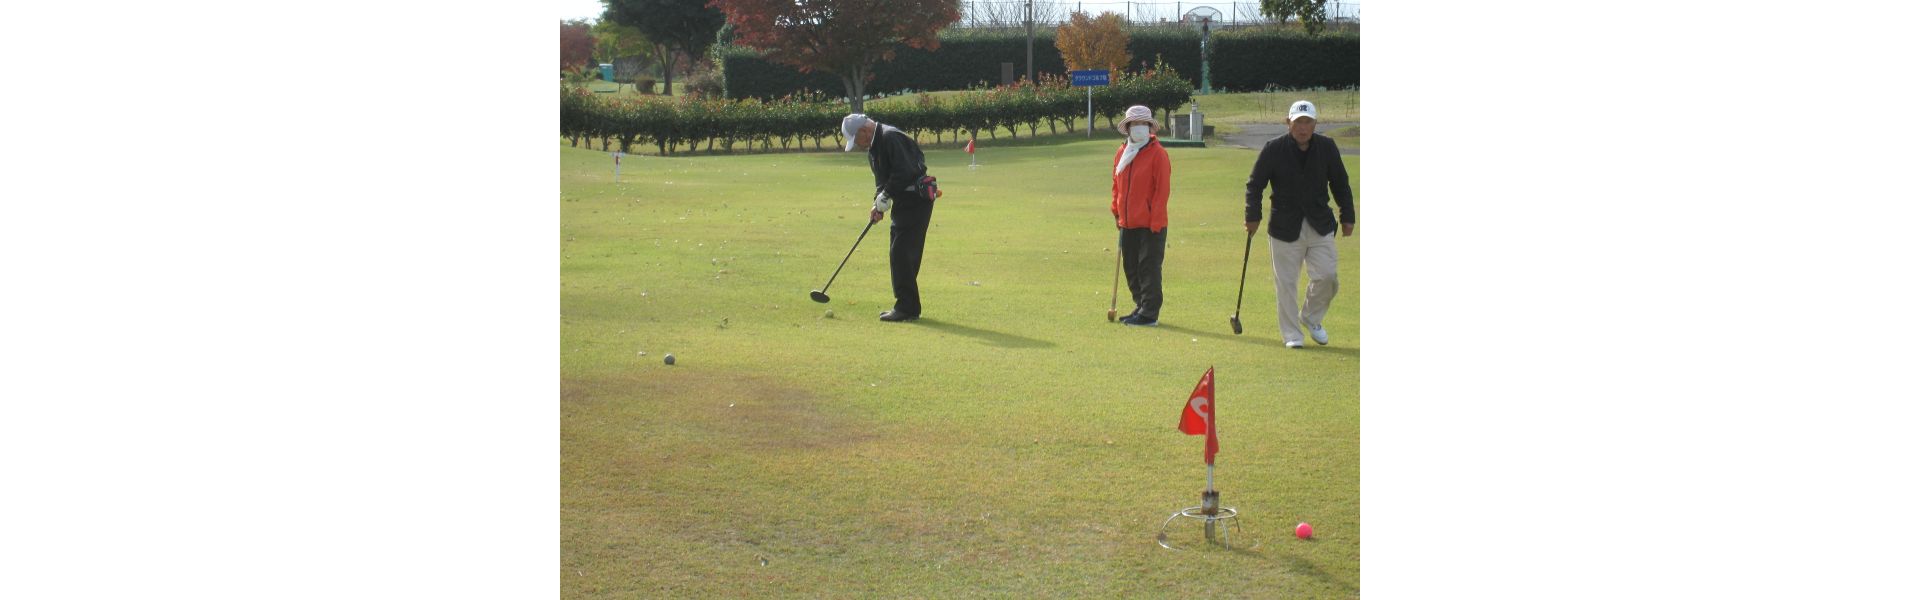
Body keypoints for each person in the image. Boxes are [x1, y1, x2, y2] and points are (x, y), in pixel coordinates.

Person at [1243, 100, 1355, 348]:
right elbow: (1255, 184)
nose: (1303, 128)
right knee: (1286, 283)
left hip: (1320, 223)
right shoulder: (1274, 149)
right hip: (1284, 225)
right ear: (1288, 123)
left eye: (1308, 122)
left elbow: (1340, 183)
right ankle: (1292, 335)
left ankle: (1311, 317)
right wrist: (1253, 216)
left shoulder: (1327, 147)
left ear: (1315, 124)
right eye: (1298, 122)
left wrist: (1347, 216)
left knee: (1328, 276)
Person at [842, 113, 940, 322]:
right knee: (901, 253)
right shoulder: (874, 147)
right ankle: (908, 306)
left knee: (901, 252)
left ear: (863, 131)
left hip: (916, 201)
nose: (857, 145)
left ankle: (907, 308)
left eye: (855, 139)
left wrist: (887, 195)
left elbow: (906, 171)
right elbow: (882, 180)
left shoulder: (889, 137)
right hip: (903, 202)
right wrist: (877, 204)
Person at [1110, 105, 1174, 327]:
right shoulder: (1122, 152)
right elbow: (1116, 185)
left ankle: (1149, 314)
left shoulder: (1158, 154)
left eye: (1142, 124)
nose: (1138, 128)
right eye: (1134, 124)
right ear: (1127, 128)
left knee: (1149, 268)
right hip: (1127, 221)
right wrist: (1116, 210)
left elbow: (1162, 191)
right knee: (1131, 267)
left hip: (1150, 223)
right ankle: (1141, 306)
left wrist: (1155, 221)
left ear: (1149, 127)